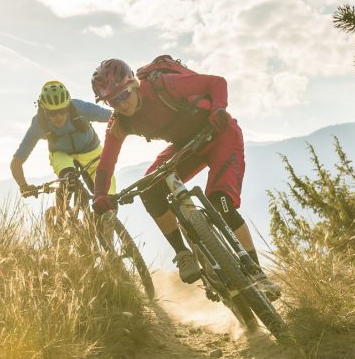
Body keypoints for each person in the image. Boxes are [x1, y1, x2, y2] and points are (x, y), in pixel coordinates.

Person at [87, 57, 277, 295]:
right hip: (187, 147)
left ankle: (258, 274)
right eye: (113, 101)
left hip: (220, 134)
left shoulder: (163, 85)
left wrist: (219, 108)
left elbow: (216, 82)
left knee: (222, 202)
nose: (121, 104)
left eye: (123, 95)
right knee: (150, 188)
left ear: (133, 84)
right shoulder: (119, 124)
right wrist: (100, 195)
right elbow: (106, 163)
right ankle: (183, 253)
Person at [10, 79, 117, 202]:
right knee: (68, 179)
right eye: (52, 113)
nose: (58, 117)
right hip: (61, 154)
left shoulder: (81, 108)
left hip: (91, 150)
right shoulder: (39, 124)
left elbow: (114, 116)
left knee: (108, 197)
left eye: (62, 111)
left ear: (68, 106)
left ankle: (99, 218)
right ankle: (62, 217)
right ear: (44, 110)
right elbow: (16, 161)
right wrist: (23, 186)